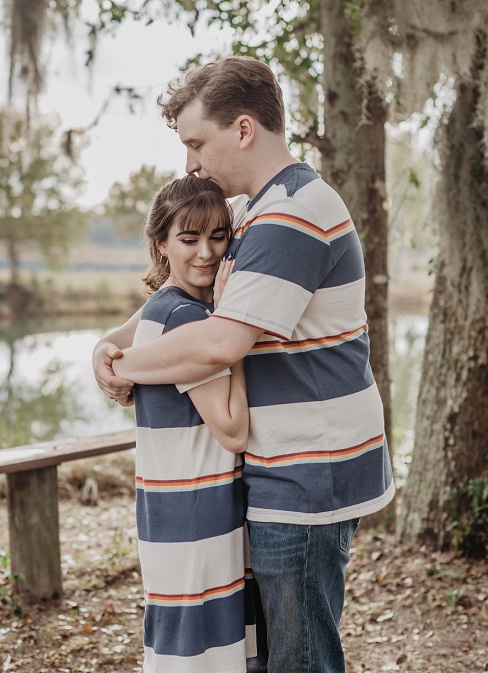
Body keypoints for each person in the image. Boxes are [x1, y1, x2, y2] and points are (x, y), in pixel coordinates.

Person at [92, 56, 395, 673]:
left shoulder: (291, 213)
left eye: (197, 142)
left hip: (309, 473)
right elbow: (193, 300)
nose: (190, 163)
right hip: (286, 465)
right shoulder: (259, 209)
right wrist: (113, 339)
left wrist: (127, 365)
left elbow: (219, 343)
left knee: (298, 659)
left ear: (244, 129)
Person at [131, 174, 255, 672]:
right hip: (194, 515)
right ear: (161, 244)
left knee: (190, 645)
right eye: (188, 238)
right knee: (201, 655)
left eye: (217, 236)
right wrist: (233, 331)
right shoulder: (187, 318)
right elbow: (233, 430)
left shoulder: (163, 308)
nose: (205, 252)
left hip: (177, 511)